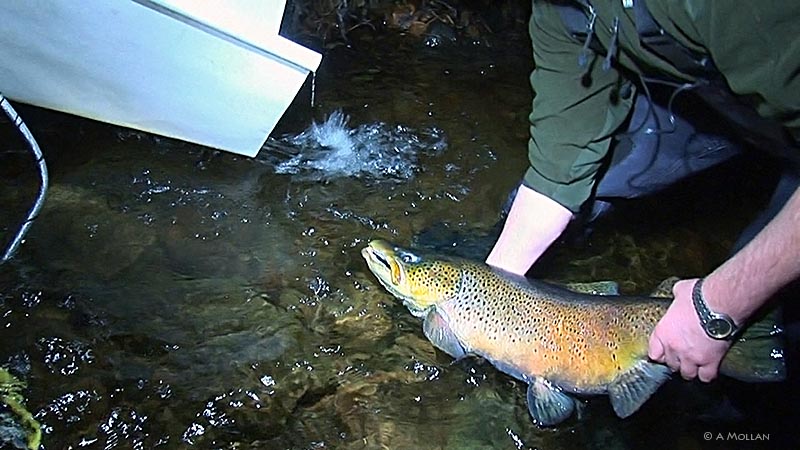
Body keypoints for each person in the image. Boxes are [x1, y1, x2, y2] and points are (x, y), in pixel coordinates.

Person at [485, 0, 800, 383]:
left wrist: (717, 308)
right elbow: (559, 168)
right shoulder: (558, 11)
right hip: (708, 96)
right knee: (580, 193)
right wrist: (491, 291)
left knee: (769, 317)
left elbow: (721, 307)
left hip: (767, 68)